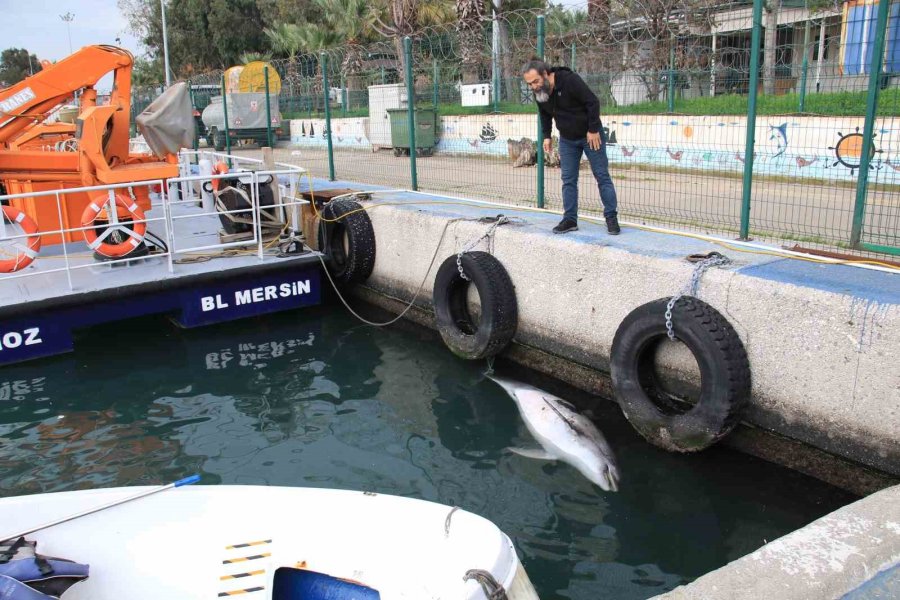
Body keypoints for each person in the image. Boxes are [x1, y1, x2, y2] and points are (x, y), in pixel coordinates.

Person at [522, 58, 620, 235]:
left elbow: (592, 102)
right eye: (529, 84)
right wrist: (546, 136)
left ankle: (611, 217)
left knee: (602, 176)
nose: (533, 87)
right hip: (568, 139)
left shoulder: (569, 80)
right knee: (568, 180)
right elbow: (544, 114)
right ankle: (570, 219)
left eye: (535, 81)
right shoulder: (541, 92)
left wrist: (592, 129)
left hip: (590, 136)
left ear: (545, 74)